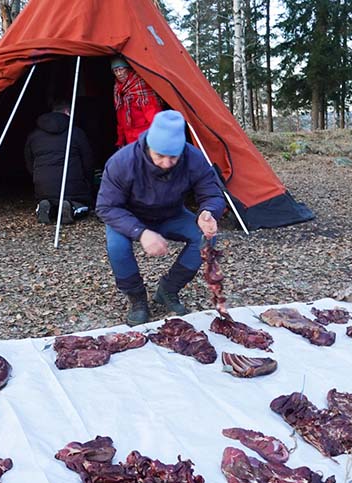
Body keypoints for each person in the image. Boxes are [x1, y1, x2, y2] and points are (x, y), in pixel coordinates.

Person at [96, 110, 224, 326]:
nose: (166, 163)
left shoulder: (193, 158)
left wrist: (208, 212)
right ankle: (137, 299)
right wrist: (142, 233)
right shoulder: (122, 162)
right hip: (130, 217)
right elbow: (106, 207)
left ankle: (168, 289)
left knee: (206, 238)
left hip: (170, 213)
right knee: (117, 246)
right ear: (149, 147)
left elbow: (212, 192)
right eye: (160, 156)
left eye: (173, 157)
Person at [24, 100, 95, 225]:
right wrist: (87, 181)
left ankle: (46, 206)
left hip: (42, 185)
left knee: (49, 199)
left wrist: (37, 176)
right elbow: (87, 162)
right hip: (73, 184)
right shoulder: (76, 132)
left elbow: (29, 162)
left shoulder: (34, 135)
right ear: (68, 112)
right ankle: (72, 206)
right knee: (83, 206)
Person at [111, 56, 164, 148]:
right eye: (115, 71)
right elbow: (121, 120)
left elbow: (154, 117)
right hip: (130, 141)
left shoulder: (142, 88)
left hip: (146, 139)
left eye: (121, 69)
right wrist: (120, 141)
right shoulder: (118, 91)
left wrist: (156, 141)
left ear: (128, 69)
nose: (119, 73)